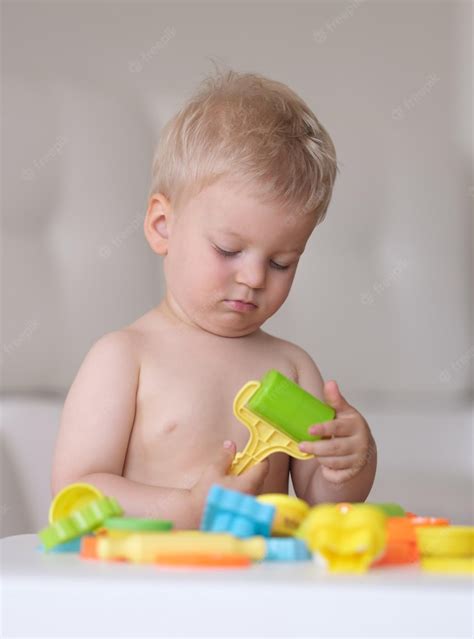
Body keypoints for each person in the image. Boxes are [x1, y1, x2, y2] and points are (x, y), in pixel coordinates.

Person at [51, 69, 377, 528]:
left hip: (262, 586)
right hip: (152, 584)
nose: (254, 277)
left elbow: (323, 502)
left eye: (282, 262)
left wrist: (350, 461)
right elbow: (76, 490)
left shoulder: (292, 367)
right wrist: (184, 507)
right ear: (163, 225)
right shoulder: (126, 358)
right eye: (228, 250)